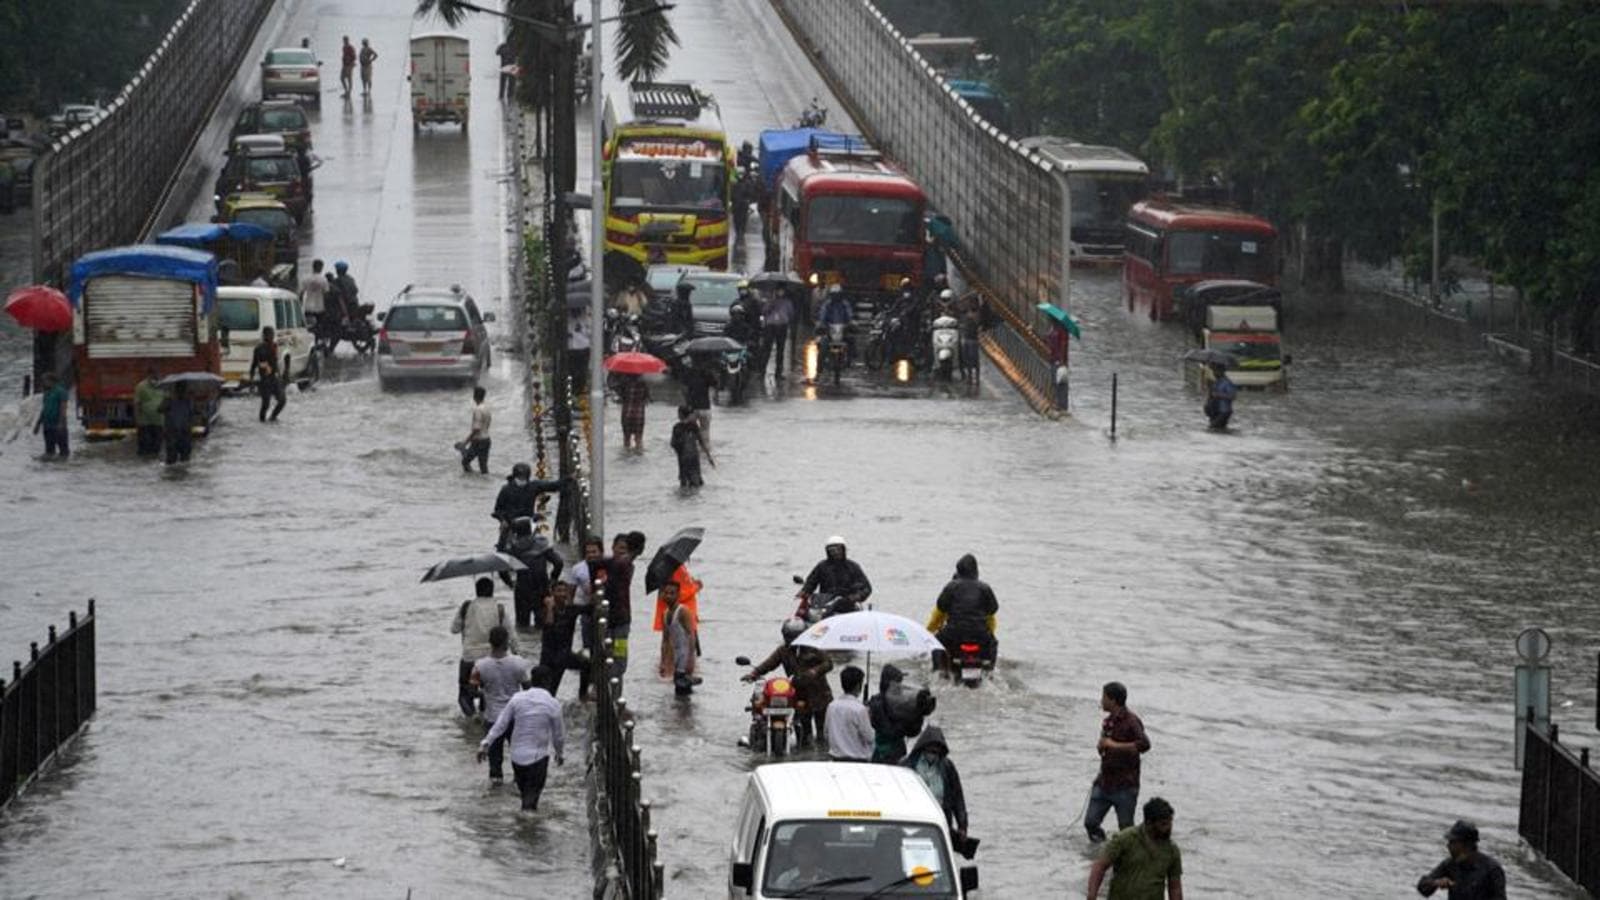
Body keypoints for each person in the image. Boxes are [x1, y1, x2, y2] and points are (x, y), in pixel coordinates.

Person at [478, 665, 565, 812]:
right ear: (548, 682)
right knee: (530, 804)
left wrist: (485, 743)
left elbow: (501, 724)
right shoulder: (553, 704)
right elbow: (559, 735)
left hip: (517, 758)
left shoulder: (517, 699)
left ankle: (520, 828)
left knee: (525, 796)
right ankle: (527, 830)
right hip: (537, 759)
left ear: (531, 680)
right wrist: (559, 753)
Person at [743, 618, 833, 747]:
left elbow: (829, 663)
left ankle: (821, 758)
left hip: (820, 695)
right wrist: (754, 673)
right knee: (803, 733)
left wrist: (814, 671)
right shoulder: (783, 650)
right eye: (787, 636)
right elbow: (769, 663)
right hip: (799, 696)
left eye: (793, 637)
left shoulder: (814, 648)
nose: (790, 640)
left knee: (822, 734)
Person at [1085, 681, 1152, 843]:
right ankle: (1102, 852)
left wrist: (1113, 745)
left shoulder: (1132, 721)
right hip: (1104, 782)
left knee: (1126, 830)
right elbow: (1104, 744)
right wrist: (1101, 745)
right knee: (1091, 823)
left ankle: (1130, 857)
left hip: (1125, 786)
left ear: (1113, 700)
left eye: (1104, 697)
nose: (1101, 701)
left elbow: (1145, 744)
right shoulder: (1108, 721)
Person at [1086, 797, 1183, 900]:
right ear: (1149, 823)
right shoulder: (1125, 840)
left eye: (1170, 822)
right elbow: (1100, 866)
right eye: (1163, 824)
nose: (1168, 827)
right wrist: (1092, 894)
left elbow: (1175, 887)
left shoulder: (1172, 851)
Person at [470, 625, 531, 783]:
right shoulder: (518, 664)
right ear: (506, 642)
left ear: (490, 642)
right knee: (519, 758)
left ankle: (496, 796)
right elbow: (528, 689)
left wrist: (485, 691)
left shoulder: (480, 666)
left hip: (493, 718)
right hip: (515, 717)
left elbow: (472, 690)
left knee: (494, 764)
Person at [451, 577, 516, 718]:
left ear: (476, 591)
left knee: (464, 694)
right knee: (489, 692)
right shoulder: (499, 609)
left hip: (469, 657)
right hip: (490, 658)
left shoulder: (466, 607)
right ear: (492, 591)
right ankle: (483, 717)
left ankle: (471, 718)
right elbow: (510, 633)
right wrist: (516, 653)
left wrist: (465, 623)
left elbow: (454, 629)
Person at [926, 553, 998, 670]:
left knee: (936, 644)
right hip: (980, 635)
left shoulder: (951, 587)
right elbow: (993, 610)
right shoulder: (985, 588)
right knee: (993, 643)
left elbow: (940, 608)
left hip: (954, 634)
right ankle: (990, 670)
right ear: (976, 571)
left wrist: (928, 633)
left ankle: (938, 673)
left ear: (959, 570)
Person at [561, 535, 609, 701]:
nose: (591, 555)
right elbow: (570, 592)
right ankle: (590, 681)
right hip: (587, 613)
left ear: (601, 552)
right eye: (588, 552)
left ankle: (602, 680)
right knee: (589, 648)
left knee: (606, 647)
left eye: (594, 551)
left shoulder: (608, 566)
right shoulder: (578, 569)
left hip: (606, 613)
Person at [901, 725, 969, 842]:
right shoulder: (907, 765)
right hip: (913, 819)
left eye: (937, 752)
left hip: (940, 821)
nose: (933, 754)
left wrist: (962, 825)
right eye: (930, 751)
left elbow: (958, 798)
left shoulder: (947, 767)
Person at [1416, 820, 1506, 899]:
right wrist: (1436, 883)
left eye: (1452, 842)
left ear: (1467, 845)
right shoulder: (1450, 864)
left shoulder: (1492, 870)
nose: (1448, 846)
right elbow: (1422, 886)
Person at [502, 517, 564, 629]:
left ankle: (526, 646)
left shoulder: (512, 548)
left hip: (522, 590)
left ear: (515, 532)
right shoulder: (542, 544)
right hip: (541, 587)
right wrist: (553, 580)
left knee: (522, 626)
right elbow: (558, 563)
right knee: (543, 625)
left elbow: (502, 568)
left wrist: (510, 583)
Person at [867, 663, 935, 763]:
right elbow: (888, 731)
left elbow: (913, 732)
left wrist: (917, 714)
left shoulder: (902, 703)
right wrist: (904, 725)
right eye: (897, 683)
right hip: (883, 753)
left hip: (898, 752)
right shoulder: (877, 704)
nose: (900, 686)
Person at [492, 462, 566, 549]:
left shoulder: (533, 486)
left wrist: (568, 479)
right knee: (503, 545)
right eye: (520, 477)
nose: (522, 479)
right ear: (515, 476)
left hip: (528, 522)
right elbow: (497, 509)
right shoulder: (506, 489)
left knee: (541, 545)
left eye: (524, 477)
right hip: (511, 523)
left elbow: (552, 486)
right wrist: (503, 520)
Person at [795, 536, 871, 619]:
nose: (835, 552)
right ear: (827, 552)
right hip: (825, 604)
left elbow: (866, 588)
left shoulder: (852, 567)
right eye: (832, 550)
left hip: (847, 605)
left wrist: (856, 596)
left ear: (843, 550)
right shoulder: (822, 566)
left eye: (838, 549)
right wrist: (805, 591)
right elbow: (811, 582)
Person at [604, 532, 637, 685]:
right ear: (613, 547)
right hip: (606, 621)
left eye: (626, 549)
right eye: (620, 548)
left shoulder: (627, 567)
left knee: (620, 659)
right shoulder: (605, 566)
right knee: (605, 656)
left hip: (622, 622)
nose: (622, 551)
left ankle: (616, 697)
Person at [657, 580, 697, 695]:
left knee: (684, 694)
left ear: (678, 595)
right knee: (679, 696)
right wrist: (663, 662)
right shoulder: (665, 614)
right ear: (662, 594)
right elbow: (665, 640)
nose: (668, 596)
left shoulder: (683, 611)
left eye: (672, 593)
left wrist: (690, 661)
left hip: (685, 659)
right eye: (666, 593)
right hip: (676, 660)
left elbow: (691, 636)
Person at [826, 665, 873, 762]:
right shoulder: (860, 710)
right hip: (858, 762)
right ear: (858, 686)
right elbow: (870, 737)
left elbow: (826, 734)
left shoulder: (831, 706)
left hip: (836, 760)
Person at [540, 580, 579, 698]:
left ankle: (583, 695)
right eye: (559, 591)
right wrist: (550, 608)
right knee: (547, 691)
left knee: (587, 664)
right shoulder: (545, 609)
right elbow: (548, 626)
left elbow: (588, 609)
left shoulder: (570, 610)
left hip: (564, 656)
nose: (562, 594)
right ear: (552, 593)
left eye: (564, 591)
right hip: (549, 657)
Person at [772, 825, 837, 891]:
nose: (807, 856)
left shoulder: (827, 879)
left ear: (818, 854)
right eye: (801, 851)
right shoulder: (785, 879)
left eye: (811, 852)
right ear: (794, 853)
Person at [669, 404, 714, 487]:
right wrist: (709, 457)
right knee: (696, 481)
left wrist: (678, 451)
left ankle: (686, 497)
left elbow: (673, 444)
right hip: (694, 456)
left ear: (680, 415)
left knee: (684, 482)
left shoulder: (677, 427)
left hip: (683, 458)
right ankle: (696, 498)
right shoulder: (694, 426)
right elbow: (702, 442)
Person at [252, 326, 285, 422]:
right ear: (264, 336)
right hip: (265, 380)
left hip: (274, 378)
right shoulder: (259, 348)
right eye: (269, 334)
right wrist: (252, 377)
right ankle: (262, 421)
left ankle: (273, 417)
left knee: (282, 400)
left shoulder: (274, 346)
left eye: (272, 334)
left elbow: (275, 362)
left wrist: (279, 375)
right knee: (266, 403)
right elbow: (255, 364)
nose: (272, 336)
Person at [761, 287, 795, 379]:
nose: (780, 292)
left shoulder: (787, 302)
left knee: (780, 350)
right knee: (766, 349)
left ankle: (778, 372)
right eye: (779, 290)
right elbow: (763, 312)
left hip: (782, 326)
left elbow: (791, 314)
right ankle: (762, 371)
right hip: (770, 326)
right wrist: (770, 305)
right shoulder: (770, 300)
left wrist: (785, 319)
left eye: (782, 290)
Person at [34, 374, 69, 459]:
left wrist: (60, 423)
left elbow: (63, 408)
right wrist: (38, 424)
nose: (43, 383)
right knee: (49, 451)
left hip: (57, 424)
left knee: (63, 451)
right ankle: (50, 468)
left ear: (51, 381)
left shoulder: (61, 392)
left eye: (45, 381)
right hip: (47, 424)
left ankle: (63, 467)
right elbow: (44, 409)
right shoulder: (47, 393)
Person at [678, 363, 713, 448]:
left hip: (692, 408)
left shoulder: (688, 373)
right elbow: (716, 384)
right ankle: (705, 451)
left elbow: (683, 389)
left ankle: (691, 449)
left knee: (689, 431)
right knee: (705, 431)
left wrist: (687, 400)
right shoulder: (707, 373)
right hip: (705, 407)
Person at [160, 381, 194, 465]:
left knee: (176, 459)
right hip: (177, 432)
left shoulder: (187, 401)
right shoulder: (186, 401)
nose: (182, 392)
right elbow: (192, 414)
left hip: (178, 432)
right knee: (181, 459)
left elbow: (160, 410)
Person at [133, 367, 164, 457]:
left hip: (159, 421)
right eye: (154, 375)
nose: (156, 377)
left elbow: (167, 400)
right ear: (149, 375)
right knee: (144, 445)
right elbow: (137, 403)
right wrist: (137, 419)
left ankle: (153, 464)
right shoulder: (141, 386)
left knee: (157, 445)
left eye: (157, 375)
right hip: (144, 422)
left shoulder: (163, 386)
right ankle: (144, 465)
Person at [461, 386, 491, 473]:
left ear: (474, 397)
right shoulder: (487, 408)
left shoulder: (478, 410)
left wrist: (465, 442)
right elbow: (487, 425)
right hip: (487, 440)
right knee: (483, 466)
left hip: (478, 441)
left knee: (465, 462)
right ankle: (484, 483)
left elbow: (476, 429)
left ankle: (471, 482)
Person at [617, 373, 649, 451]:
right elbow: (646, 399)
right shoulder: (643, 384)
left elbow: (620, 397)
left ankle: (627, 455)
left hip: (626, 414)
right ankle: (638, 455)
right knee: (638, 438)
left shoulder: (624, 384)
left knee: (626, 438)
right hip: (639, 415)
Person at [1205, 364, 1237, 430]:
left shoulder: (1227, 383)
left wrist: (1218, 395)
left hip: (1224, 411)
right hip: (1215, 410)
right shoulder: (1216, 382)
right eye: (1213, 371)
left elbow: (1233, 396)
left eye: (1215, 371)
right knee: (1218, 429)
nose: (1214, 373)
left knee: (1212, 428)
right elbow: (1212, 395)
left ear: (1221, 371)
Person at [958, 300, 981, 382]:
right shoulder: (964, 316)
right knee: (966, 358)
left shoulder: (976, 315)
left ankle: (976, 377)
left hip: (973, 339)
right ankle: (970, 376)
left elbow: (977, 323)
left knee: (974, 358)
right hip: (966, 338)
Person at [300, 259, 327, 328]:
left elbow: (301, 293)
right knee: (320, 327)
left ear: (313, 267)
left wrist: (300, 305)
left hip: (308, 307)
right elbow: (326, 294)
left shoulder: (306, 278)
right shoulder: (323, 279)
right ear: (321, 268)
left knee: (308, 327)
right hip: (320, 308)